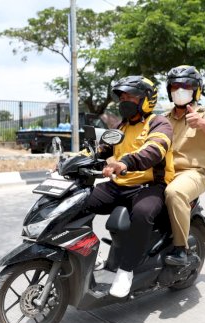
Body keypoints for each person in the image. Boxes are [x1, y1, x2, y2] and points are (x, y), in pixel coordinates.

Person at [85, 75, 174, 297]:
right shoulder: (121, 126)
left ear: (146, 99)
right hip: (120, 185)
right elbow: (100, 150)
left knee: (143, 213)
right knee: (83, 201)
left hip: (150, 185)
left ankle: (126, 271)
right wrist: (70, 161)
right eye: (122, 96)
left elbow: (155, 150)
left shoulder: (159, 123)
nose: (124, 100)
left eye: (130, 96)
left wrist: (125, 162)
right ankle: (89, 252)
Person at [163, 65, 205, 265]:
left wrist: (201, 123)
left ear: (196, 89)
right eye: (174, 86)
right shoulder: (164, 118)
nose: (179, 90)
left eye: (186, 85)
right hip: (165, 173)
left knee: (175, 193)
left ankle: (181, 249)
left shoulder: (204, 113)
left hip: (194, 173)